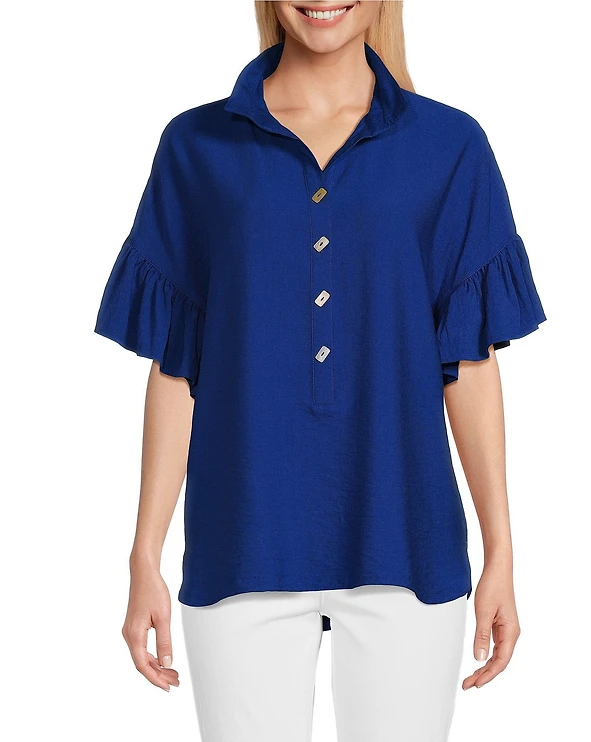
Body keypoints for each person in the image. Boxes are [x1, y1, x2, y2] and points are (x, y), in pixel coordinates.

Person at [94, 2, 547, 740]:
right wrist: (145, 554)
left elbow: (470, 361)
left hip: (404, 538)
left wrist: (501, 548)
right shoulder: (195, 146)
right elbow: (176, 367)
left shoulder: (451, 147)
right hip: (243, 536)